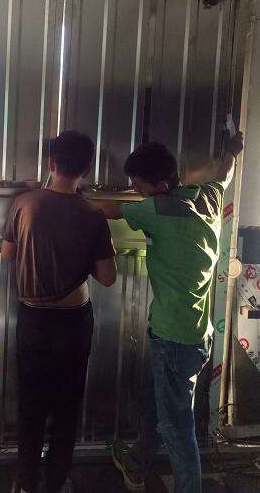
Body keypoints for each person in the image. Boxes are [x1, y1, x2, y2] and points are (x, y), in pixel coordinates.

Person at [95, 132, 244, 493]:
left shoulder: (157, 208)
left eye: (139, 186)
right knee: (157, 402)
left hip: (173, 339)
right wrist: (232, 151)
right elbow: (224, 173)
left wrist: (64, 196)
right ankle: (137, 464)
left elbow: (106, 210)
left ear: (160, 185)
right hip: (196, 334)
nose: (137, 192)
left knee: (178, 429)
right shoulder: (208, 196)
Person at [1, 130, 117, 493]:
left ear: (51, 163)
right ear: (86, 170)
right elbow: (107, 278)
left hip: (33, 319)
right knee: (67, 405)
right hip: (73, 323)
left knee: (31, 403)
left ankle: (26, 482)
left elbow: (6, 254)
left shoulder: (24, 203)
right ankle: (56, 481)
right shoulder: (93, 215)